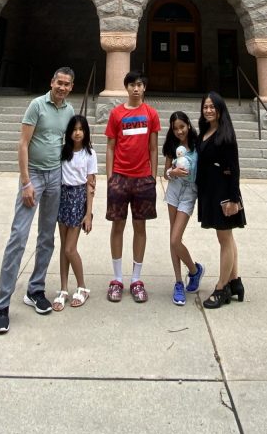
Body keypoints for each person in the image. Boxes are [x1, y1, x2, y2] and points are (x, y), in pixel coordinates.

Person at [0, 67, 75, 333]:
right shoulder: (36, 105)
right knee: (18, 236)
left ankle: (36, 289)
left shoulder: (70, 112)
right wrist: (26, 181)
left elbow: (67, 145)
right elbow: (23, 143)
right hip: (35, 176)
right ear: (51, 82)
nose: (62, 87)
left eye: (67, 84)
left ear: (71, 87)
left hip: (55, 176)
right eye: (59, 82)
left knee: (47, 237)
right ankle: (2, 305)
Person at [105, 70, 160, 303]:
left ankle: (136, 279)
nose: (136, 88)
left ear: (144, 88)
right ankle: (117, 278)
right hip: (120, 177)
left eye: (140, 85)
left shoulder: (151, 114)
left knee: (140, 228)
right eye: (132, 85)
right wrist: (110, 177)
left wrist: (153, 176)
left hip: (142, 178)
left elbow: (154, 148)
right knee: (117, 227)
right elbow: (110, 146)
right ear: (126, 88)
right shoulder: (116, 114)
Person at [196, 91, 246, 309]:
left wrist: (233, 198)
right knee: (226, 237)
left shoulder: (226, 134)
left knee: (224, 238)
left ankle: (221, 287)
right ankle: (235, 282)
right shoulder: (205, 131)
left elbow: (234, 168)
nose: (208, 110)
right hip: (210, 189)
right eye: (205, 106)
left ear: (220, 109)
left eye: (212, 107)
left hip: (223, 192)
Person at [52, 114, 97, 311]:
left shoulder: (90, 154)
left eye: (81, 129)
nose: (77, 133)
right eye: (74, 129)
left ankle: (82, 286)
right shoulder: (63, 152)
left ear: (86, 132)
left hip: (79, 199)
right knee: (63, 248)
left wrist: (89, 214)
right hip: (63, 197)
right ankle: (63, 289)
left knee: (71, 248)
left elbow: (91, 184)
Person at [162, 110, 204, 306]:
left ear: (188, 125)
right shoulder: (172, 146)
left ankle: (195, 271)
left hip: (189, 193)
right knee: (173, 239)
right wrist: (173, 171)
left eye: (182, 127)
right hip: (173, 191)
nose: (179, 131)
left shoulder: (198, 144)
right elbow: (165, 173)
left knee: (175, 238)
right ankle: (179, 282)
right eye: (175, 128)